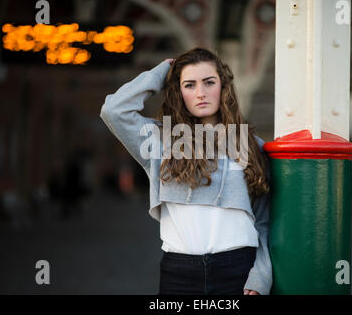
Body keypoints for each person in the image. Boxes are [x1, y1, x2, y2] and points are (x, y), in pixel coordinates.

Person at [100, 47, 272, 295]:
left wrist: (260, 278)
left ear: (223, 87)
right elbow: (114, 110)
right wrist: (161, 73)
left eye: (209, 82)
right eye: (189, 85)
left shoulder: (252, 145)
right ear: (178, 91)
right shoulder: (159, 141)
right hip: (179, 272)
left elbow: (264, 222)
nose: (200, 93)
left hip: (238, 270)